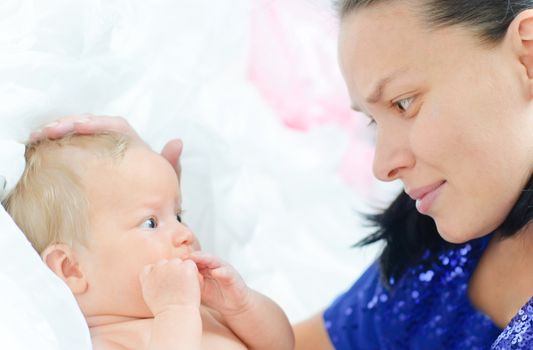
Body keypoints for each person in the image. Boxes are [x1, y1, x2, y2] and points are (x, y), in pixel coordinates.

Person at [32, 0, 533, 348]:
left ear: (527, 55)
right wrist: (114, 189)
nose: (382, 165)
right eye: (373, 122)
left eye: (405, 103)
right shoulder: (444, 246)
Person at [3, 131, 294, 350]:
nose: (185, 234)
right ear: (71, 269)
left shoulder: (200, 308)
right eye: (151, 223)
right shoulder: (105, 341)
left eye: (178, 216)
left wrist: (240, 306)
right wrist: (175, 312)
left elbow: (282, 345)